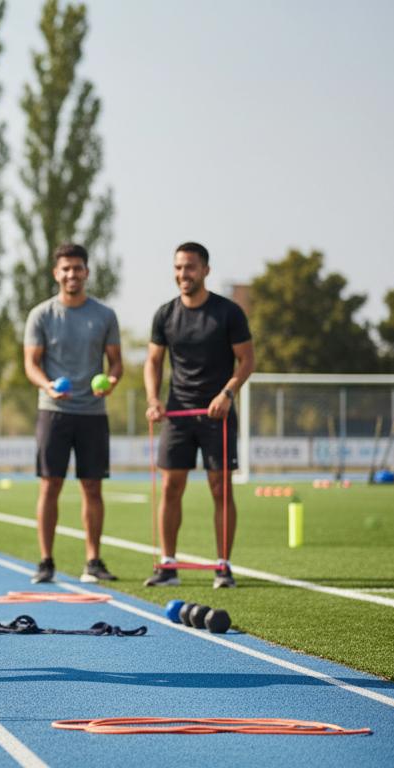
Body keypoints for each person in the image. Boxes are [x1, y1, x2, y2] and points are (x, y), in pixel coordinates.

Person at [144, 241, 254, 589]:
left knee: (220, 489)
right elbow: (153, 362)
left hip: (217, 414)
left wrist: (227, 393)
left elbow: (247, 360)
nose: (183, 274)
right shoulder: (165, 314)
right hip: (177, 414)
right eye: (178, 267)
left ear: (205, 270)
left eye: (190, 267)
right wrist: (153, 399)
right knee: (170, 487)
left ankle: (223, 566)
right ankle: (168, 566)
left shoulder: (228, 313)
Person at [23, 243, 123, 584]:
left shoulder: (105, 315)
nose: (71, 274)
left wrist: (111, 382)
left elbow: (116, 364)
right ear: (56, 273)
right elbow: (31, 364)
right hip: (53, 411)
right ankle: (46, 562)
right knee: (50, 486)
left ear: (86, 272)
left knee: (92, 487)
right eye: (65, 269)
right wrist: (48, 386)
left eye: (77, 268)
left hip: (93, 413)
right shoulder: (41, 315)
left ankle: (93, 561)